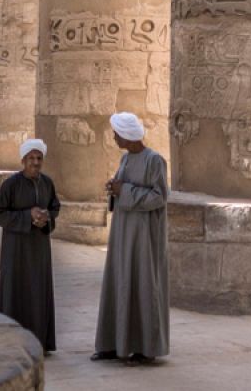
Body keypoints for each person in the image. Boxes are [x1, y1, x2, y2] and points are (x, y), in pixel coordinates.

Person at [92, 112, 169, 365]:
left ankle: (144, 348)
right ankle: (113, 344)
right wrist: (114, 188)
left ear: (126, 135)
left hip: (144, 237)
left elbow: (158, 197)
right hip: (122, 233)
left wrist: (123, 190)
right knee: (119, 282)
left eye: (116, 134)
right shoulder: (125, 159)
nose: (113, 138)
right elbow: (124, 189)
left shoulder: (155, 160)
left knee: (142, 285)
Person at [0, 138, 60, 353]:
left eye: (39, 158)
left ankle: (40, 341)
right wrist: (27, 216)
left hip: (39, 246)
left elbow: (55, 207)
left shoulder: (47, 183)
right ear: (23, 160)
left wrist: (46, 217)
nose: (35, 162)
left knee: (38, 290)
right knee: (15, 289)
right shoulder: (10, 185)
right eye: (31, 158)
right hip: (15, 248)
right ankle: (12, 339)